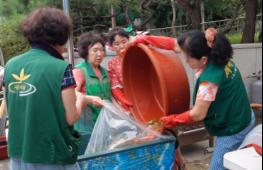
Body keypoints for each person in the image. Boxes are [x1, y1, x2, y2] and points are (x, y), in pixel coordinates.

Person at [3, 7, 91, 170]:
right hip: (52, 156)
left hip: (18, 154)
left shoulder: (10, 65)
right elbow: (71, 117)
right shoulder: (62, 69)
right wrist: (82, 100)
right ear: (60, 37)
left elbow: (12, 109)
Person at [160, 28, 256, 170]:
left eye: (188, 58)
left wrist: (167, 121)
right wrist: (144, 40)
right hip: (245, 115)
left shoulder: (209, 81)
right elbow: (175, 45)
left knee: (217, 167)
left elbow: (198, 114)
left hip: (234, 129)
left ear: (203, 59)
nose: (185, 61)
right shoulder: (219, 55)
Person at [107, 27, 186, 170]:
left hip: (150, 97)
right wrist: (125, 101)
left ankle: (179, 161)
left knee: (168, 132)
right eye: (116, 44)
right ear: (111, 47)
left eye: (123, 41)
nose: (120, 46)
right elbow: (115, 87)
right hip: (134, 106)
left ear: (128, 40)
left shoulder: (136, 51)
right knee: (145, 136)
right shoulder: (113, 63)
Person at [73, 32, 111, 155]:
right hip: (86, 130)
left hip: (104, 127)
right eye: (95, 50)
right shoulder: (79, 71)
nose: (99, 54)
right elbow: (72, 94)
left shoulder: (105, 72)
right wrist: (89, 99)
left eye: (101, 50)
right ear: (85, 51)